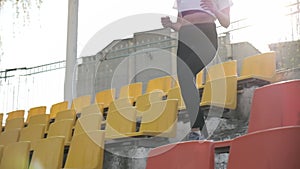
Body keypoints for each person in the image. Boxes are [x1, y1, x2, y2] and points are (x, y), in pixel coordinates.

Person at [161, 0, 233, 140]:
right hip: (185, 37)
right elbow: (180, 24)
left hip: (205, 34)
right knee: (184, 77)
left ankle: (197, 129)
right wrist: (171, 24)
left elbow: (226, 22)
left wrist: (214, 9)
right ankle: (197, 129)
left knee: (187, 74)